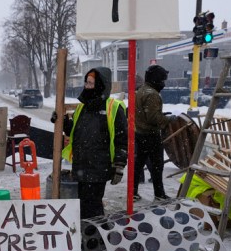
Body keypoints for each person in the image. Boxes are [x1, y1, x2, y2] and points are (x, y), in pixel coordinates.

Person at [59, 68, 127, 219]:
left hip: (98, 167)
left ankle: (95, 238)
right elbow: (75, 132)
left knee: (93, 206)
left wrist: (119, 164)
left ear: (101, 85)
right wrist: (63, 122)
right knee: (84, 205)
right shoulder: (83, 107)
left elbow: (121, 139)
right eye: (86, 83)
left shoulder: (113, 107)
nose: (87, 86)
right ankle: (87, 235)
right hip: (81, 165)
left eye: (91, 83)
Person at [134, 64, 177, 201]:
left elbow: (145, 113)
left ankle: (133, 192)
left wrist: (159, 114)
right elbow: (153, 118)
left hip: (140, 133)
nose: (163, 84)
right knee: (157, 166)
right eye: (162, 80)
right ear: (156, 80)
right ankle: (159, 194)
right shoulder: (152, 94)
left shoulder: (141, 90)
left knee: (138, 165)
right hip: (150, 135)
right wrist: (168, 119)